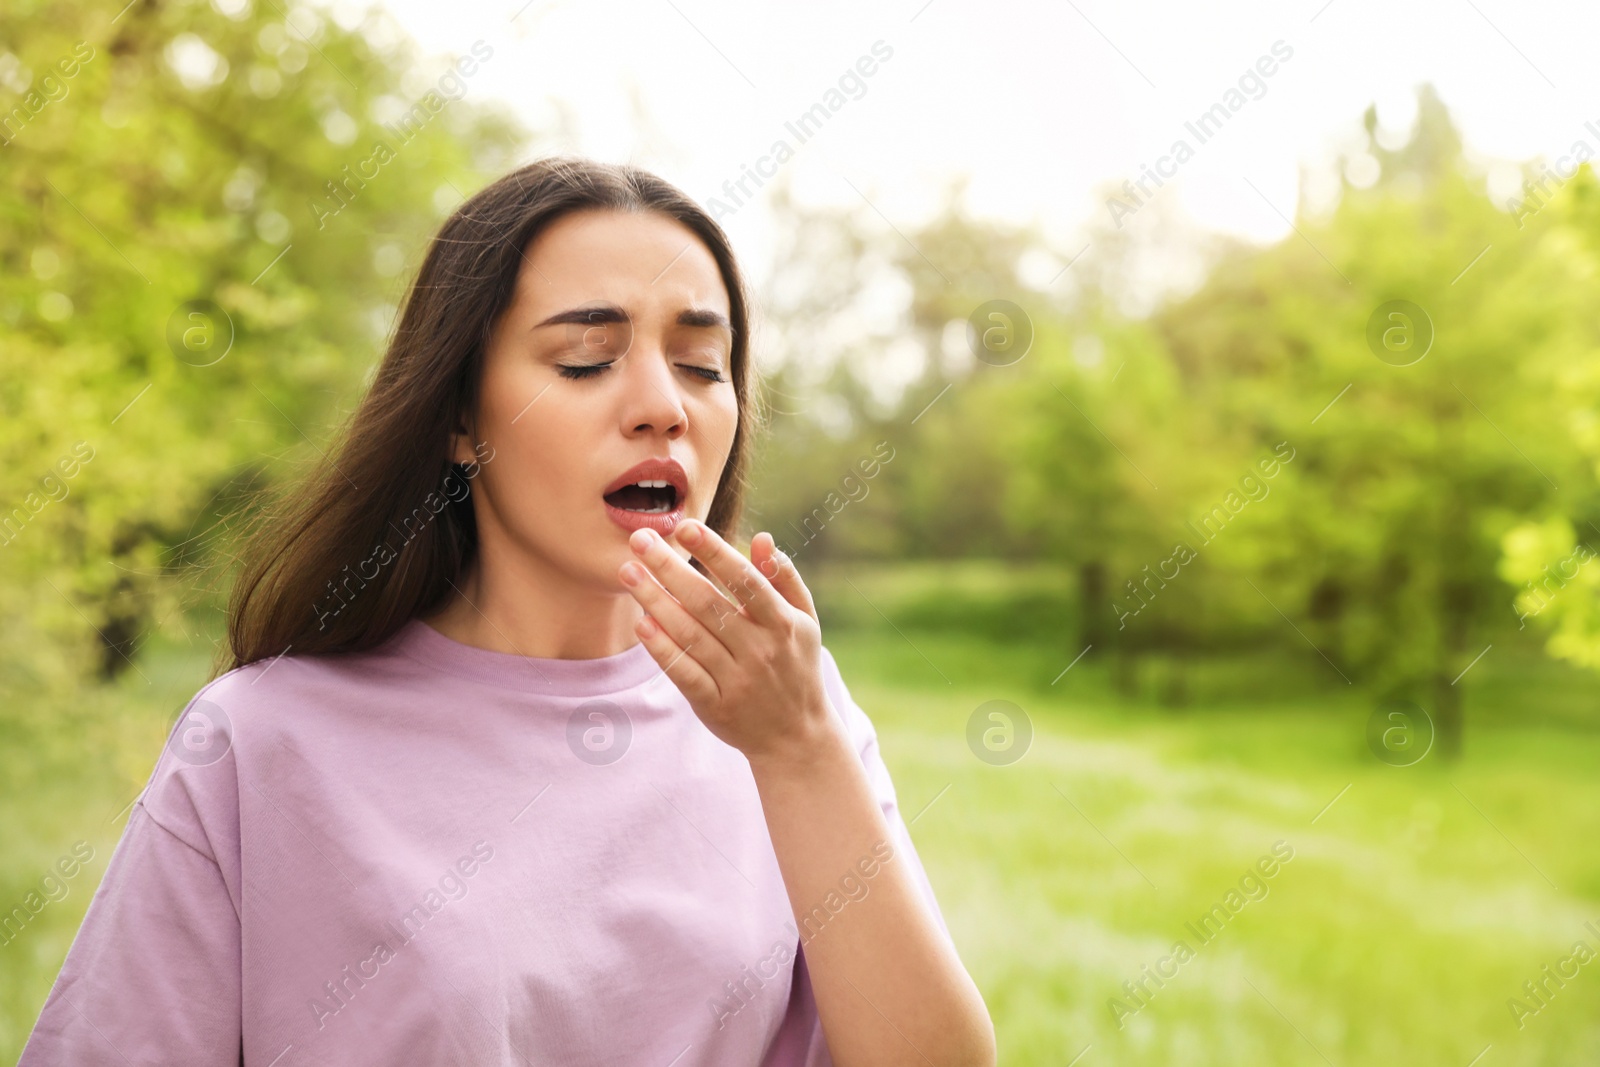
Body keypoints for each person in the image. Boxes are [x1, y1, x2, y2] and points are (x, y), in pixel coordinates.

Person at [19, 156, 995, 1066]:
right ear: (457, 418)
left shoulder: (792, 715)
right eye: (583, 359)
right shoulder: (260, 742)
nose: (665, 405)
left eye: (703, 366)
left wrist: (801, 749)